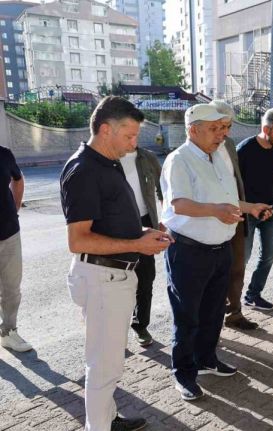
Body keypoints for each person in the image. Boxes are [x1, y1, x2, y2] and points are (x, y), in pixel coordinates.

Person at [60, 96, 172, 431]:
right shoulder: (84, 170)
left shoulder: (106, 163)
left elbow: (109, 223)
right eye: (130, 136)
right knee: (104, 366)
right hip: (102, 278)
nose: (135, 144)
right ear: (106, 130)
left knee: (107, 360)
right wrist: (136, 243)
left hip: (111, 278)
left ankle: (107, 419)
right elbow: (78, 239)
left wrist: (143, 233)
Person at [161, 104, 271, 401]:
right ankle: (183, 373)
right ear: (193, 130)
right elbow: (179, 205)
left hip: (220, 249)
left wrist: (250, 207)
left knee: (212, 312)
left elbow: (228, 198)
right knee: (187, 317)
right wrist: (216, 212)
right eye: (215, 129)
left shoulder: (220, 154)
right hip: (188, 252)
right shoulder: (179, 160)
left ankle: (206, 360)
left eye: (224, 128)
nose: (222, 134)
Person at [209, 100, 270, 331]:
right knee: (212, 274)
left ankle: (234, 313)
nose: (225, 132)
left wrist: (248, 207)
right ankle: (210, 322)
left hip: (236, 214)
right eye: (221, 126)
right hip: (211, 220)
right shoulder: (196, 151)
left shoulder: (229, 144)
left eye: (229, 126)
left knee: (237, 267)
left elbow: (236, 180)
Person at [237, 108, 273, 310]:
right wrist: (250, 208)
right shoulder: (244, 150)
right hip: (248, 212)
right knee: (243, 259)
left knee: (269, 254)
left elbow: (271, 179)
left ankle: (253, 295)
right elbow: (234, 186)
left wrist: (269, 207)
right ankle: (230, 302)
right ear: (266, 128)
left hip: (270, 209)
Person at [120, 146, 162, 347]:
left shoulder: (148, 157)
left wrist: (164, 220)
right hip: (117, 224)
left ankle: (141, 325)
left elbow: (165, 189)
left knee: (146, 279)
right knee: (117, 280)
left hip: (145, 221)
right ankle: (115, 331)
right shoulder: (107, 157)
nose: (133, 138)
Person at [0, 146, 32, 353]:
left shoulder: (4, 154)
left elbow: (17, 179)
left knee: (12, 288)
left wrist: (15, 207)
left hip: (9, 231)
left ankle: (8, 332)